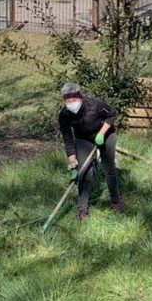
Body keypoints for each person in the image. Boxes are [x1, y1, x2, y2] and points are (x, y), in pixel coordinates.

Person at [57, 82, 123, 221]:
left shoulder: (95, 105)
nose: (71, 103)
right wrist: (72, 160)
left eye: (74, 99)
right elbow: (68, 138)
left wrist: (101, 133)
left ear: (80, 97)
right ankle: (83, 210)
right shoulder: (64, 115)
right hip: (83, 139)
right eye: (68, 100)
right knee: (84, 173)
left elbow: (112, 114)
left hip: (105, 135)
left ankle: (116, 201)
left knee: (108, 168)